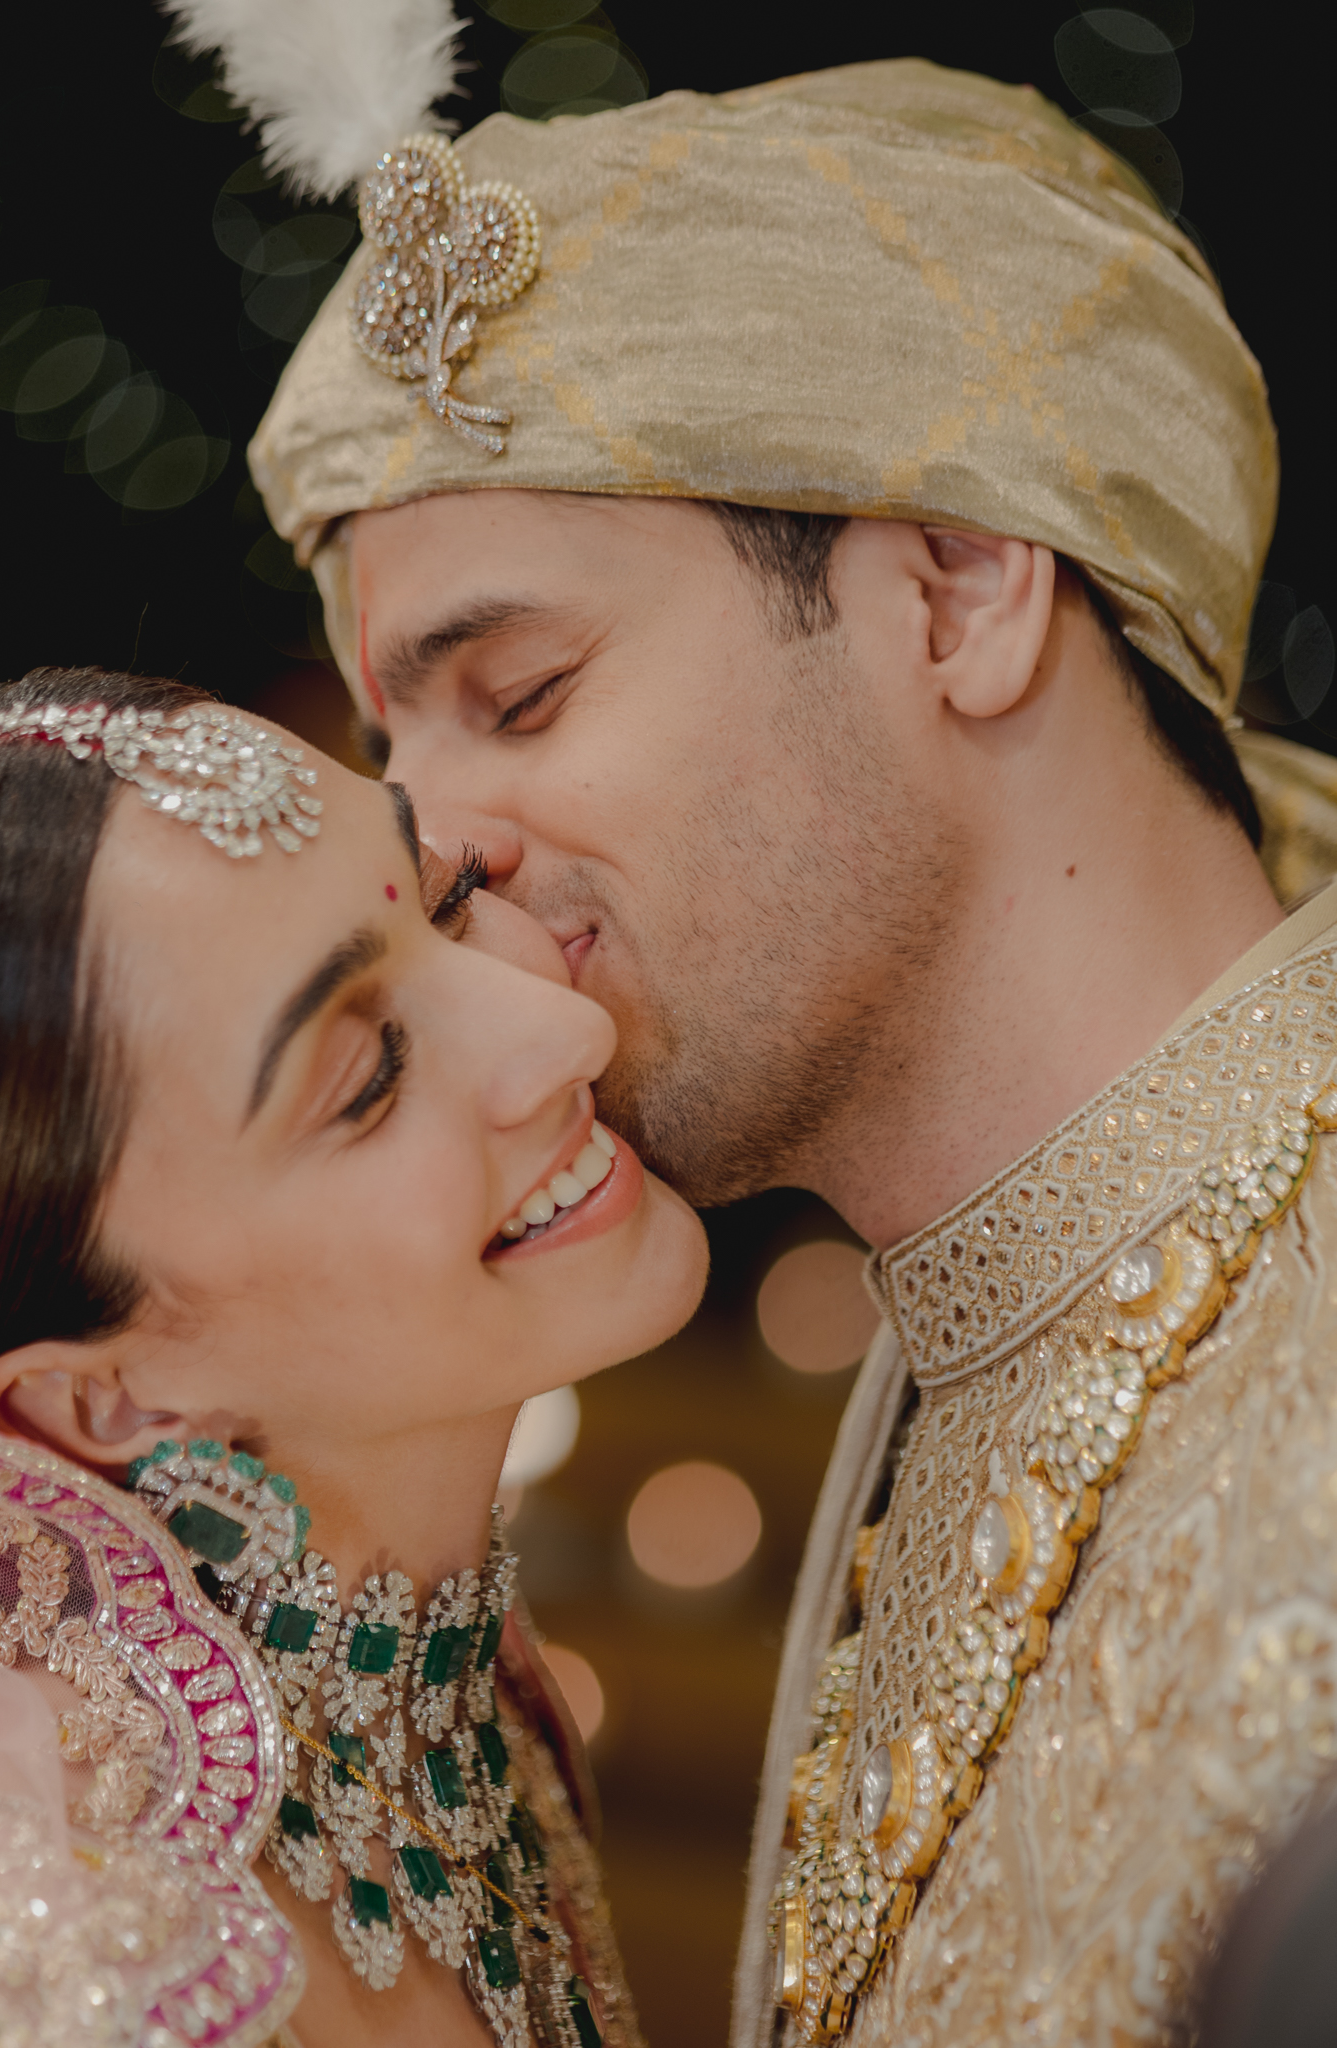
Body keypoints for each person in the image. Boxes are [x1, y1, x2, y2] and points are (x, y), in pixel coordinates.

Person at [234, 34, 1337, 2048]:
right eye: (401, 755)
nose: (432, 853)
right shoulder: (960, 1354)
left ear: (958, 593)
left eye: (523, 690)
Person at [0, 669, 709, 2047]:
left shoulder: (451, 1715)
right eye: (365, 1079)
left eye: (450, 895)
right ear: (98, 1399)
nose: (566, 1026)